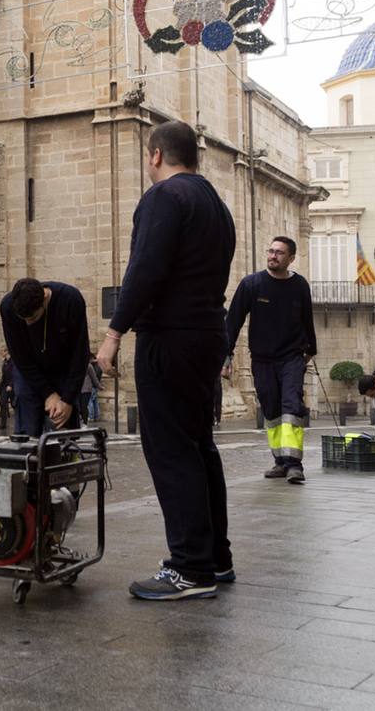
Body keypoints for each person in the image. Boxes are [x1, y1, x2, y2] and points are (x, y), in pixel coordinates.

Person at [96, 121, 236, 601]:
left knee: (171, 450)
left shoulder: (164, 198)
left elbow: (145, 269)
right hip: (205, 334)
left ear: (155, 155)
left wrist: (114, 333)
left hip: (170, 338)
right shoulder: (216, 205)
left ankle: (189, 568)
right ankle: (215, 558)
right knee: (199, 447)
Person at [223, 237, 317, 485]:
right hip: (262, 359)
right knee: (272, 409)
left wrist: (311, 350)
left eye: (280, 253)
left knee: (291, 405)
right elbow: (232, 322)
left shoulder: (299, 286)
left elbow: (308, 319)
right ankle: (280, 460)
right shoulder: (251, 284)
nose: (273, 256)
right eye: (271, 251)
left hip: (292, 357)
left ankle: (295, 464)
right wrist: (226, 354)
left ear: (291, 258)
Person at [0, 278, 89, 436]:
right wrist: (48, 394)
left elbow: (80, 355)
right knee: (27, 425)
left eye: (33, 318)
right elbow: (20, 357)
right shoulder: (8, 307)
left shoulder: (70, 300)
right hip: (29, 372)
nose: (28, 323)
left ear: (45, 299)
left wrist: (67, 399)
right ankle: (27, 456)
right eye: (24, 319)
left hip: (63, 368)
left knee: (62, 424)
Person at [80, 353, 103, 423]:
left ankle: (89, 418)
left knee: (86, 405)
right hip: (83, 389)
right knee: (92, 402)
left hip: (87, 389)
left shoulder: (89, 366)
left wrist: (99, 386)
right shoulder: (93, 365)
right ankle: (94, 416)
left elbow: (94, 378)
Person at [0, 351, 15, 431]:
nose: (1, 352)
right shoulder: (5, 362)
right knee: (3, 403)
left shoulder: (13, 362)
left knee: (14, 405)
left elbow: (15, 375)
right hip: (4, 386)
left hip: (11, 386)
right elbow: (4, 375)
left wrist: (11, 385)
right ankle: (3, 424)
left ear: (7, 352)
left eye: (2, 351)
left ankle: (19, 424)